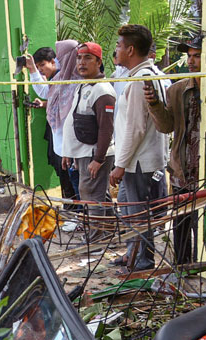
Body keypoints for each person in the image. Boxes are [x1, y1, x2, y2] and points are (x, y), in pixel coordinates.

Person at [109, 24, 170, 272]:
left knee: (138, 214)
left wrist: (120, 165)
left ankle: (143, 261)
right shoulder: (148, 74)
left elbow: (135, 128)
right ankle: (132, 253)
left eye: (119, 46)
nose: (116, 50)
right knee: (128, 208)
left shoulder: (140, 80)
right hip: (142, 158)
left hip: (139, 161)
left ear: (131, 50)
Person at [146, 34, 202, 266]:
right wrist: (154, 104)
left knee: (205, 223)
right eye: (189, 56)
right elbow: (166, 126)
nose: (191, 61)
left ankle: (204, 265)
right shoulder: (177, 90)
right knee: (181, 223)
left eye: (197, 56)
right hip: (182, 168)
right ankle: (182, 266)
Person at [60, 42, 116, 217]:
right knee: (99, 197)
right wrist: (68, 151)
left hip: (94, 154)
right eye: (79, 58)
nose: (81, 62)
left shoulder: (102, 91)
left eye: (87, 58)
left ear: (99, 62)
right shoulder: (84, 86)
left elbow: (106, 128)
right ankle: (110, 232)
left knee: (91, 197)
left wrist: (98, 159)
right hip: (83, 153)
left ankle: (97, 233)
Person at [26, 41, 79, 198]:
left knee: (77, 187)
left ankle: (80, 212)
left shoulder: (74, 81)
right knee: (68, 185)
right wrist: (32, 70)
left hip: (74, 146)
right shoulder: (60, 78)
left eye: (59, 58)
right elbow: (47, 93)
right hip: (62, 145)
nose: (58, 61)